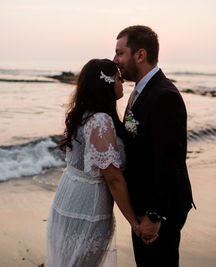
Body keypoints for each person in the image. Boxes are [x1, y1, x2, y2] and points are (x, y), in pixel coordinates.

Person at [46, 59, 143, 266]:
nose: (122, 82)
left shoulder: (84, 114)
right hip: (87, 208)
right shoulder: (100, 120)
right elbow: (113, 178)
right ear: (107, 83)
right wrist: (135, 223)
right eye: (118, 78)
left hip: (69, 197)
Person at [113, 25, 195, 267]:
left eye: (120, 53)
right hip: (145, 202)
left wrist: (155, 214)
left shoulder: (163, 95)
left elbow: (170, 160)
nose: (115, 60)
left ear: (140, 55)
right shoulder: (140, 91)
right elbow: (134, 138)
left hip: (160, 207)